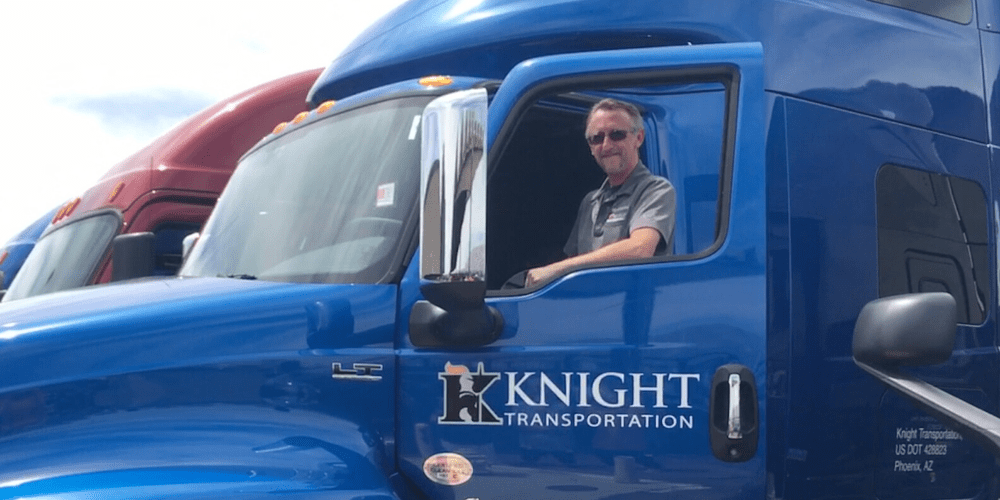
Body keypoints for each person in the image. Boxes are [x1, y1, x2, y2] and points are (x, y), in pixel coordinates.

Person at [525, 98, 675, 286]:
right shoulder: (590, 202)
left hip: (631, 309)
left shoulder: (656, 190)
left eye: (617, 135)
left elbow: (640, 248)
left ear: (639, 138)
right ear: (590, 148)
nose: (606, 146)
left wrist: (557, 269)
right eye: (597, 138)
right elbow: (573, 257)